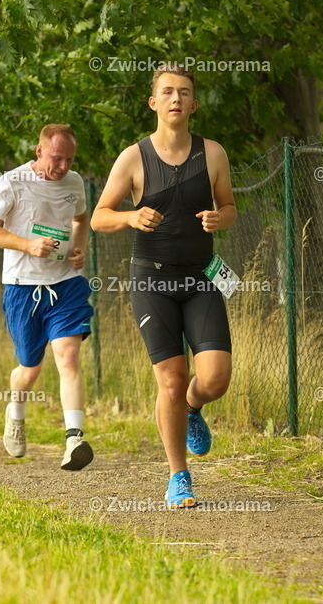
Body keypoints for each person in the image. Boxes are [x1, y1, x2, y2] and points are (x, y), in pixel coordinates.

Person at [91, 64, 236, 507]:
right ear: (154, 102)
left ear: (194, 104)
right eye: (168, 92)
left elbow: (229, 207)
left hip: (201, 278)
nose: (176, 98)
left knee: (215, 379)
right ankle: (179, 477)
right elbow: (99, 217)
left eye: (184, 92)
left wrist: (221, 218)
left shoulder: (213, 153)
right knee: (171, 382)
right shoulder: (133, 157)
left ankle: (193, 408)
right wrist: (130, 216)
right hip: (151, 280)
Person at [0, 123, 94, 471]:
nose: (63, 166)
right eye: (56, 158)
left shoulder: (74, 182)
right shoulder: (12, 182)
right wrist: (27, 245)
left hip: (66, 284)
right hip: (22, 287)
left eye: (69, 159)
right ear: (39, 151)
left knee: (68, 357)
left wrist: (80, 248)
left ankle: (74, 439)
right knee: (29, 370)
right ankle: (15, 412)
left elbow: (81, 219)